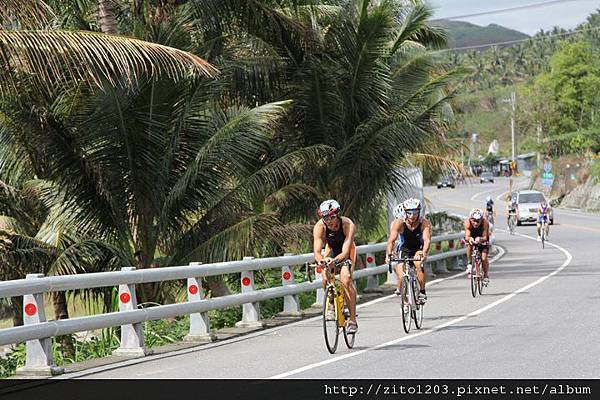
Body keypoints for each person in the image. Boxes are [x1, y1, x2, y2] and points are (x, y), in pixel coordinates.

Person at [312, 199, 358, 333]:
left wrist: (335, 261)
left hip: (346, 250)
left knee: (345, 279)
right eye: (325, 218)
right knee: (325, 276)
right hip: (331, 248)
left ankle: (353, 320)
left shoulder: (347, 224)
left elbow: (344, 252)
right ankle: (331, 301)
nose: (329, 221)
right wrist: (322, 260)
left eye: (332, 217)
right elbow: (316, 251)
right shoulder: (320, 227)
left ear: (337, 214)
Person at [385, 198, 432, 304]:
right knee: (401, 276)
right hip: (404, 249)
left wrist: (424, 253)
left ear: (419, 212)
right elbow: (391, 240)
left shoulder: (424, 223)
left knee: (418, 264)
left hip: (418, 249)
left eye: (415, 212)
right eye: (409, 212)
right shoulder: (399, 223)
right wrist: (389, 254)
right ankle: (404, 298)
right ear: (405, 212)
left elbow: (427, 240)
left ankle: (422, 291)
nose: (412, 216)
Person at [464, 208, 491, 285]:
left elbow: (485, 237)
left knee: (484, 258)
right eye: (474, 220)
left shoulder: (485, 223)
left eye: (478, 221)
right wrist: (470, 238)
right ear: (470, 219)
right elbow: (467, 236)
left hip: (482, 237)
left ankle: (486, 275)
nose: (475, 223)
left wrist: (481, 239)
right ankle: (469, 264)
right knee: (469, 244)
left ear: (481, 219)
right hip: (472, 236)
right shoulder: (467, 223)